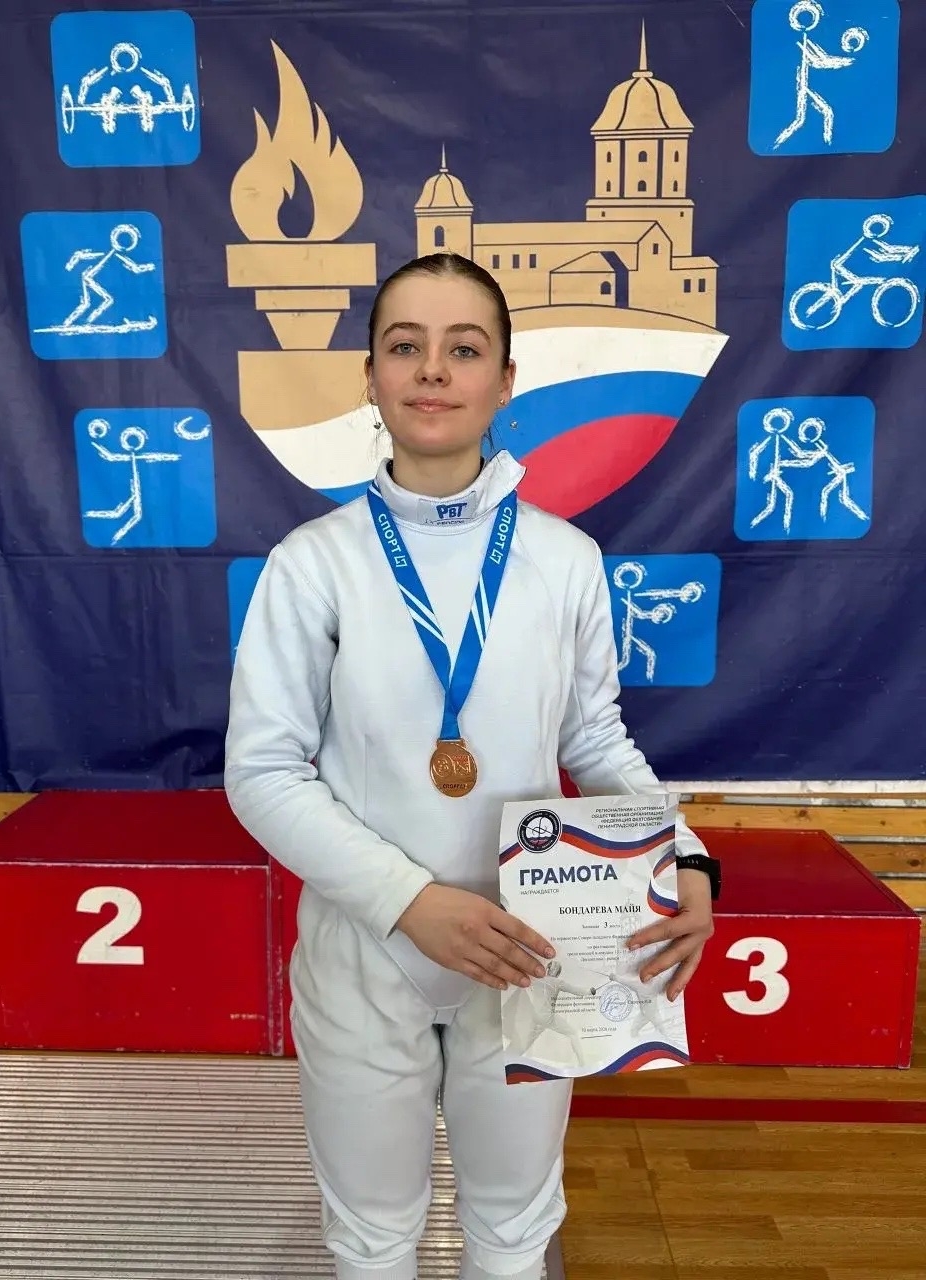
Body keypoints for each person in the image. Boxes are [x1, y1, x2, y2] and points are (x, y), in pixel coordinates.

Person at [225, 252, 716, 1280]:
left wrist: (687, 859)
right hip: (366, 954)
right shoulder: (314, 563)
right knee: (370, 1240)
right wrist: (408, 901)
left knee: (514, 1231)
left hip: (529, 948)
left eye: (465, 348)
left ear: (506, 380)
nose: (434, 370)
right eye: (406, 346)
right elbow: (263, 771)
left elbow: (596, 740)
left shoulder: (564, 559)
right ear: (370, 376)